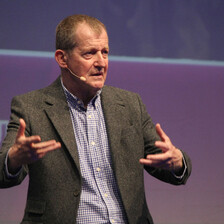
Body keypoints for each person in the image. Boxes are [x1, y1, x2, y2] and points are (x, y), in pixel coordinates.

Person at [0, 14, 191, 224]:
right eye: (90, 53)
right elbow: (2, 171)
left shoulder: (129, 105)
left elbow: (166, 162)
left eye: (105, 53)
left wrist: (177, 161)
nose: (101, 62)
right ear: (62, 58)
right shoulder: (31, 107)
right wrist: (14, 158)